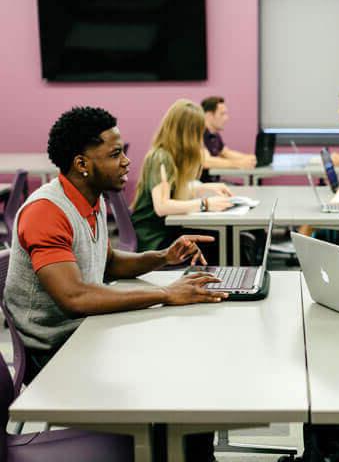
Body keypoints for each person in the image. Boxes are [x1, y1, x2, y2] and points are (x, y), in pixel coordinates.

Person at [3, 106, 227, 461]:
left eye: (123, 152)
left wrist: (162, 258)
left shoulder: (90, 200)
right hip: (57, 353)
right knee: (176, 375)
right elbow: (74, 296)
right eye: (114, 153)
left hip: (87, 334)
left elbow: (107, 261)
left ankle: (190, 451)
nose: (126, 161)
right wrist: (166, 294)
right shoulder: (46, 211)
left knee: (187, 359)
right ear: (82, 163)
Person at [131, 99, 234, 256]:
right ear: (188, 133)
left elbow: (174, 188)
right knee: (224, 242)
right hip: (155, 239)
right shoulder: (160, 157)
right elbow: (162, 206)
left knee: (226, 238)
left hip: (166, 231)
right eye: (199, 131)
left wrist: (204, 188)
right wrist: (205, 204)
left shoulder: (171, 155)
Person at [199, 96, 256, 182]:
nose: (226, 118)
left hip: (214, 183)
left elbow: (226, 153)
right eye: (222, 114)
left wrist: (248, 158)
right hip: (202, 186)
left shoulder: (215, 134)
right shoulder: (198, 133)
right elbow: (206, 161)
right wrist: (238, 164)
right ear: (209, 115)